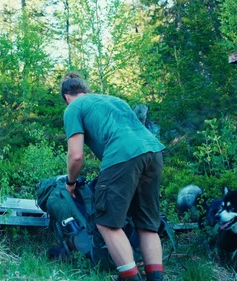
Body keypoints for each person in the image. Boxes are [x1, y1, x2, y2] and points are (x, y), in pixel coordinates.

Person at [60, 72, 165, 281]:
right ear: (86, 91)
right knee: (147, 223)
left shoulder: (73, 108)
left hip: (123, 156)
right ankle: (156, 278)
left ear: (66, 97)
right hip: (153, 152)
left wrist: (70, 183)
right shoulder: (114, 100)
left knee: (107, 222)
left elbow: (76, 156)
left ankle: (129, 277)